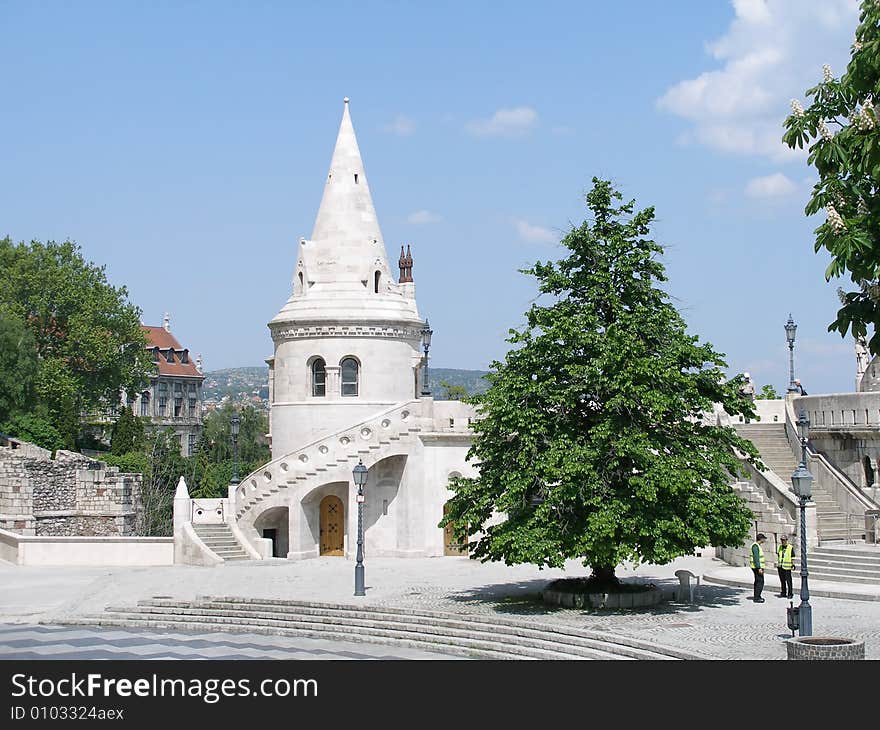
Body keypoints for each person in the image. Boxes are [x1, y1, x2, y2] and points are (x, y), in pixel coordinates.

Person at [750, 533, 767, 602]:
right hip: (757, 567)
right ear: (761, 539)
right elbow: (756, 558)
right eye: (764, 538)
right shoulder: (755, 546)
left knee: (758, 581)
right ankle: (757, 597)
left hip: (757, 567)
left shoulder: (757, 546)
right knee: (760, 582)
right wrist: (759, 568)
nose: (764, 540)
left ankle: (757, 596)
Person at [777, 534, 795, 598]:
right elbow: (779, 555)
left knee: (789, 581)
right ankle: (783, 592)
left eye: (784, 540)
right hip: (780, 566)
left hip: (787, 567)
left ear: (786, 540)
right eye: (781, 540)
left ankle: (790, 593)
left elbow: (792, 557)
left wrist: (792, 564)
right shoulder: (780, 547)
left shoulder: (790, 547)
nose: (782, 541)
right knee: (782, 581)